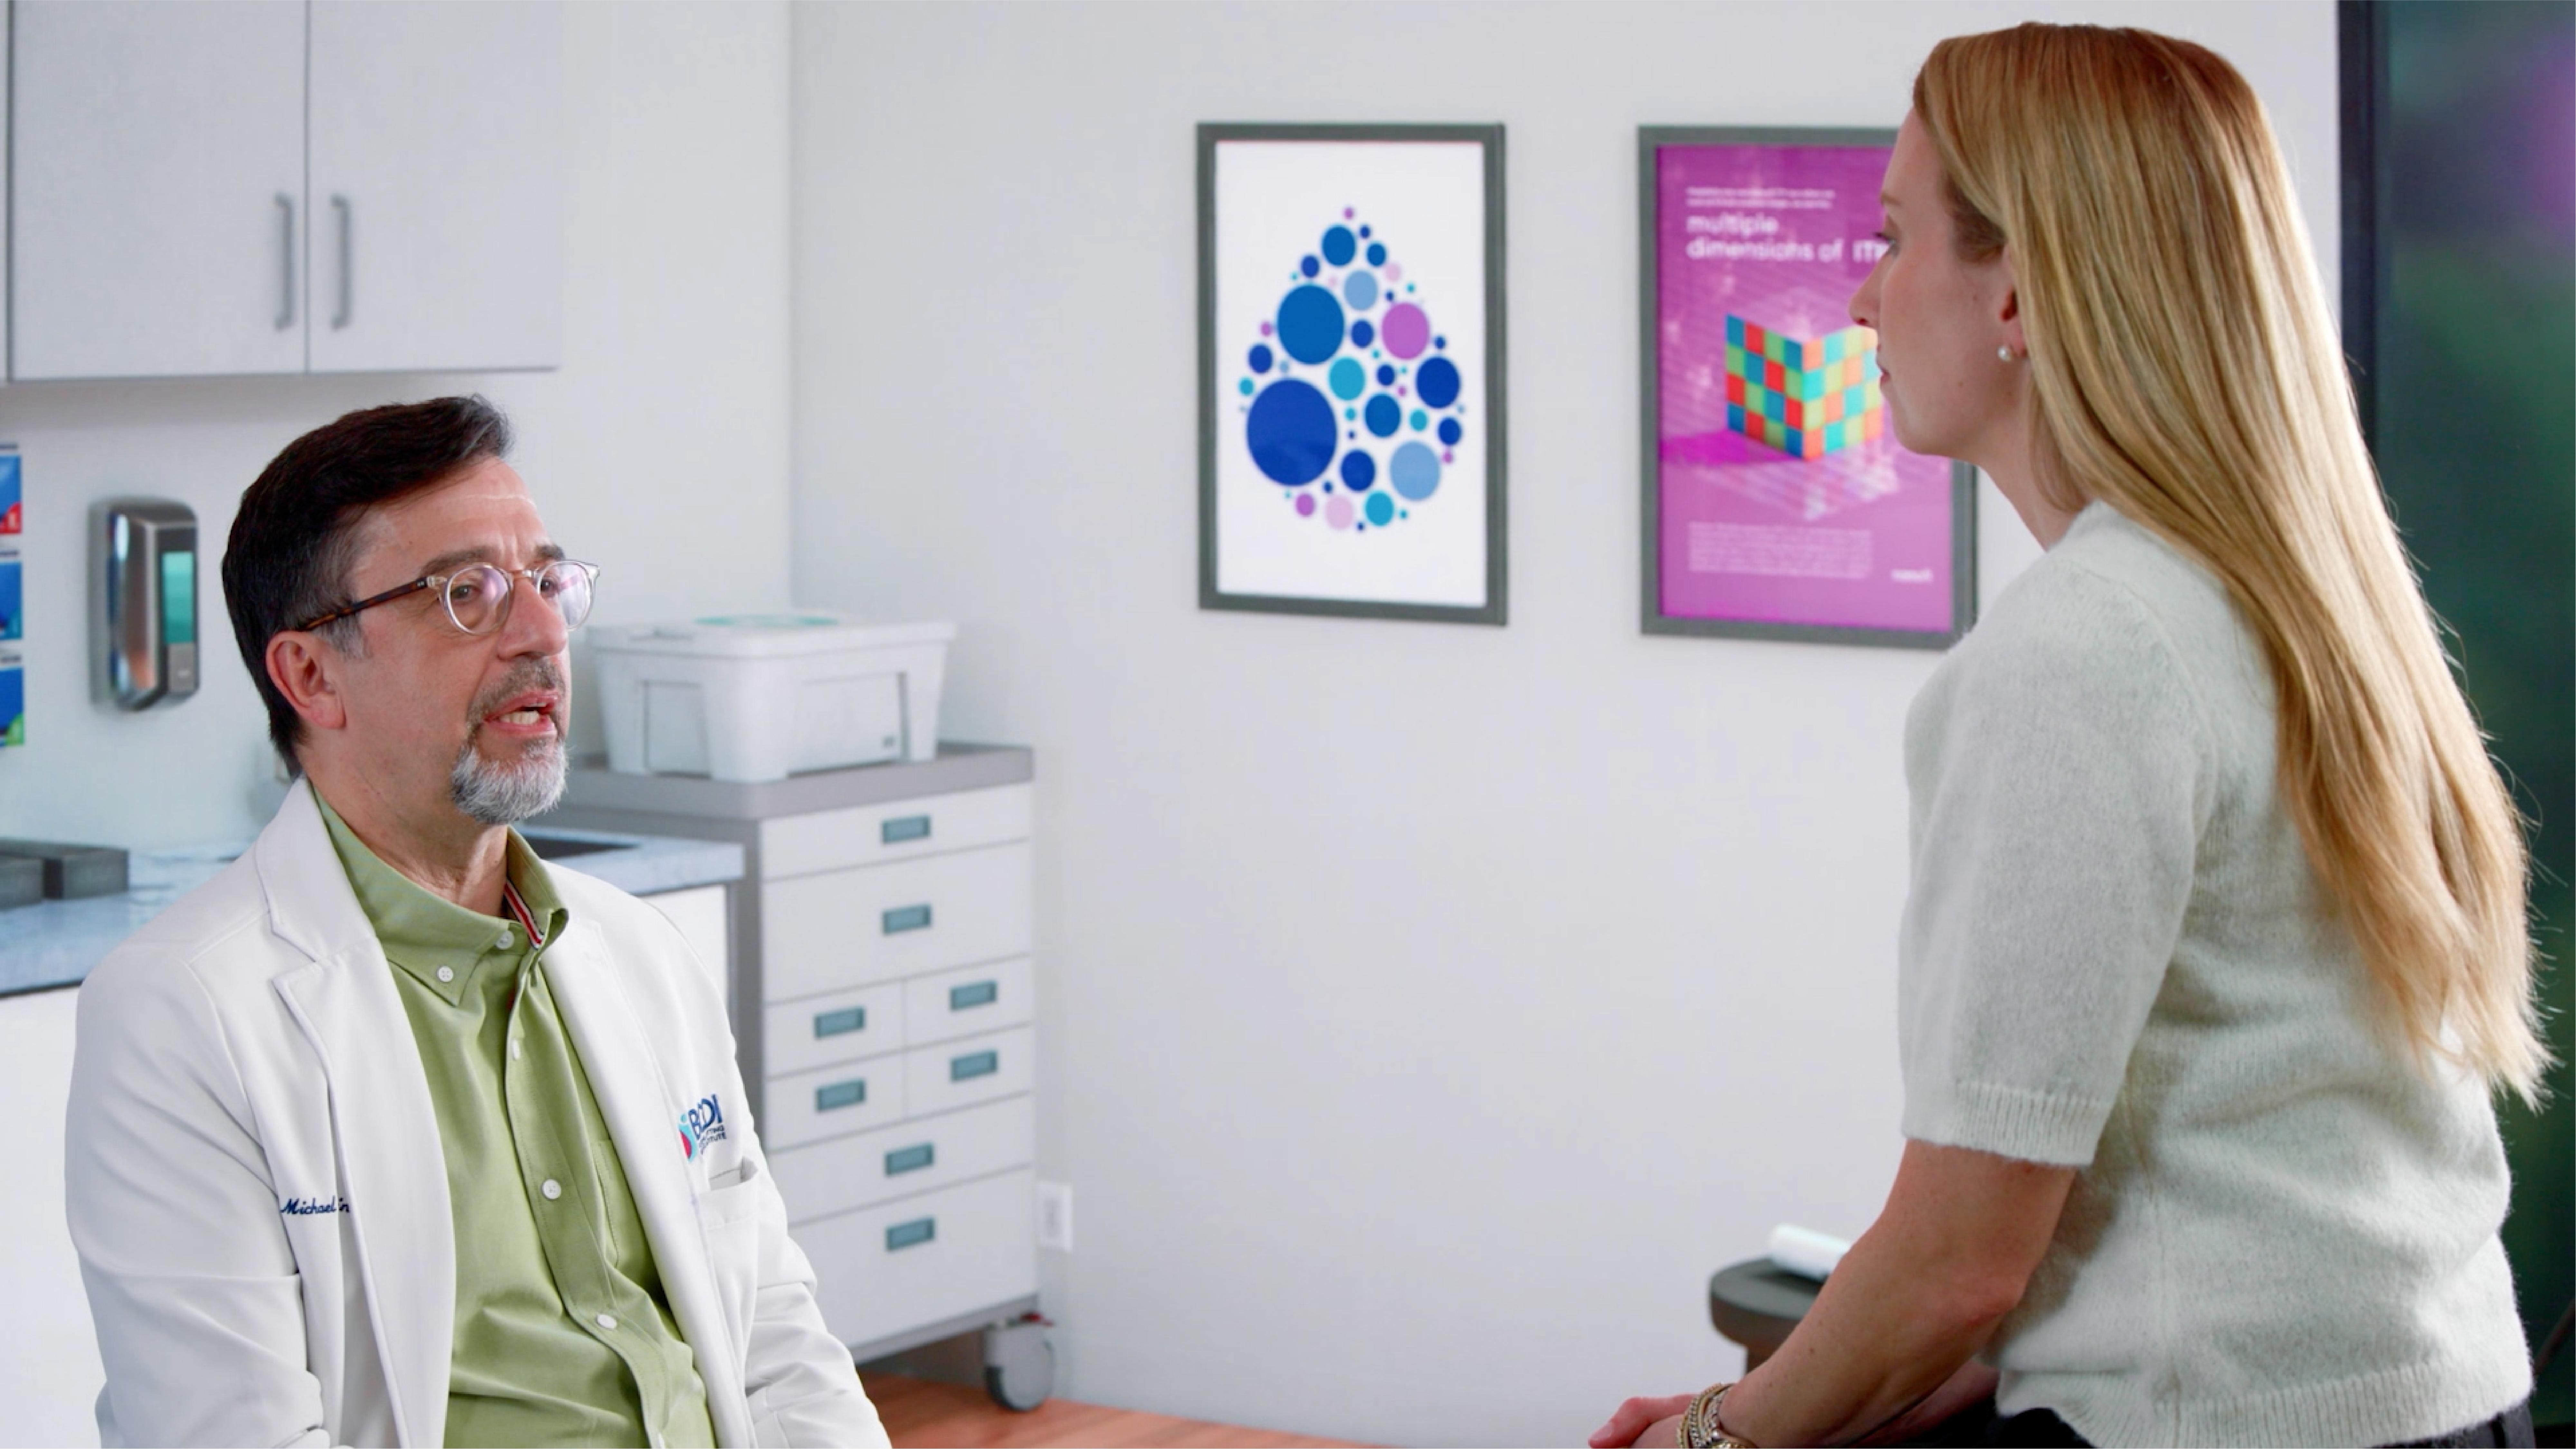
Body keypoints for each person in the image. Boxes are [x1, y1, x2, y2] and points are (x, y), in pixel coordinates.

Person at [1594, 24, 2542, 1449]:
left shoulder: (2083, 654)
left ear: (2021, 288)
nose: (1859, 296)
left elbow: (1962, 1258)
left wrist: (1712, 1436)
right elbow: (2150, 1205)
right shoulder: (2319, 615)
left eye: (1892, 234)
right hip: (2448, 1399)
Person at [67, 397, 890, 1447]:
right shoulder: (184, 1014)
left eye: (547, 583)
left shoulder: (638, 953)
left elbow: (774, 1335)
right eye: (467, 595)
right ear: (311, 674)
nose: (544, 634)